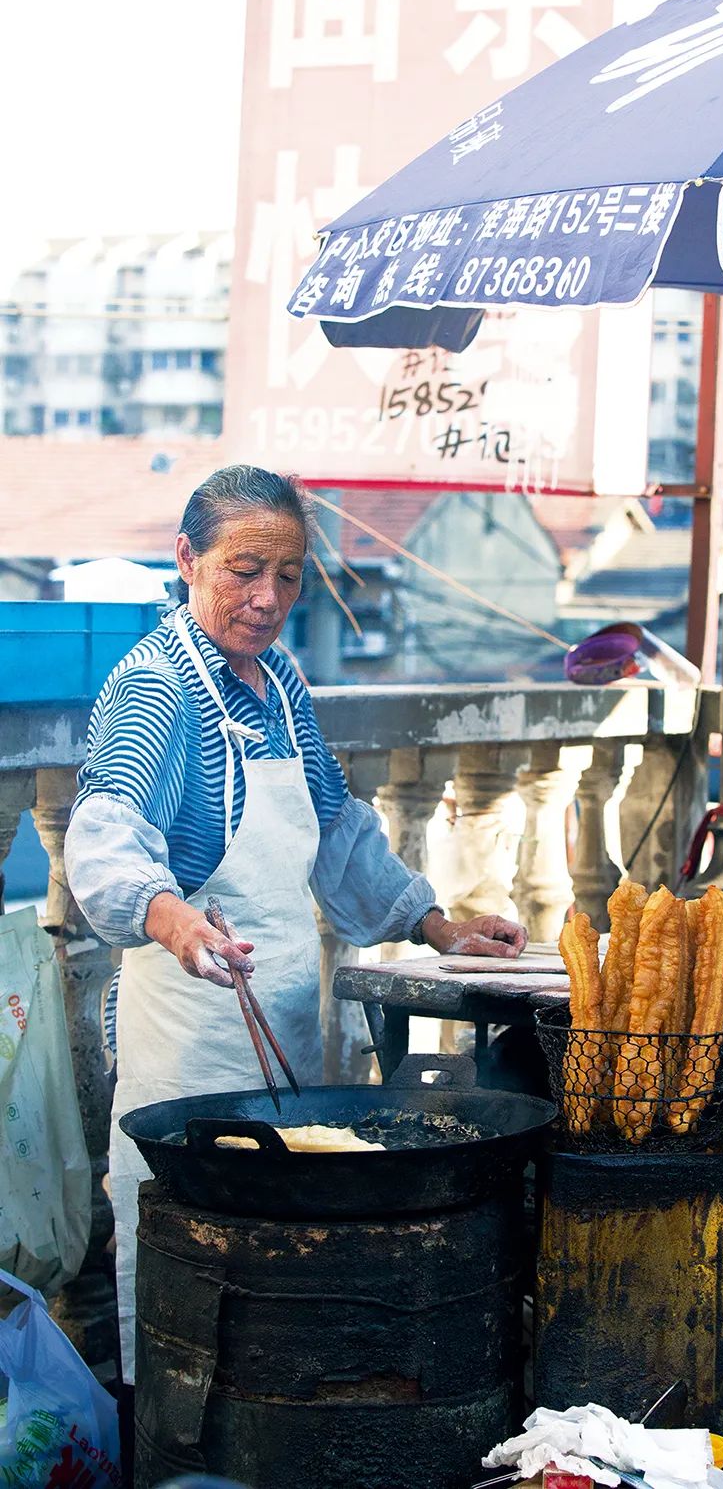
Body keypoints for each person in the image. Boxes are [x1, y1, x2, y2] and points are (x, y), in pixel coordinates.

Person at [64, 464, 526, 1396]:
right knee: (195, 1303)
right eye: (244, 570)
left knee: (280, 1305)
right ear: (187, 560)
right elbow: (104, 833)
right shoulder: (158, 690)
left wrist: (435, 924)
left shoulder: (277, 682)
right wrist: (172, 917)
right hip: (187, 1053)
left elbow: (337, 826)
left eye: (288, 573)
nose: (267, 598)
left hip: (281, 1033)